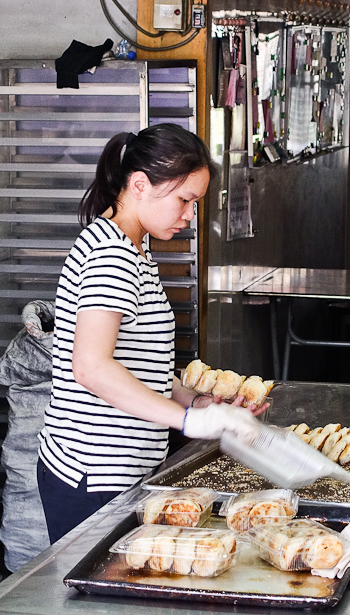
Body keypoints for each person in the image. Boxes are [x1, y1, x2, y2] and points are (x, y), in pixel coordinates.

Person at [38, 124, 262, 544]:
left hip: (123, 470)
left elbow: (139, 363)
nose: (189, 215)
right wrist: (189, 420)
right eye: (184, 200)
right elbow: (91, 367)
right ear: (139, 185)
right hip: (94, 475)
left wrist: (199, 401)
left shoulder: (134, 247)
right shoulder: (112, 254)